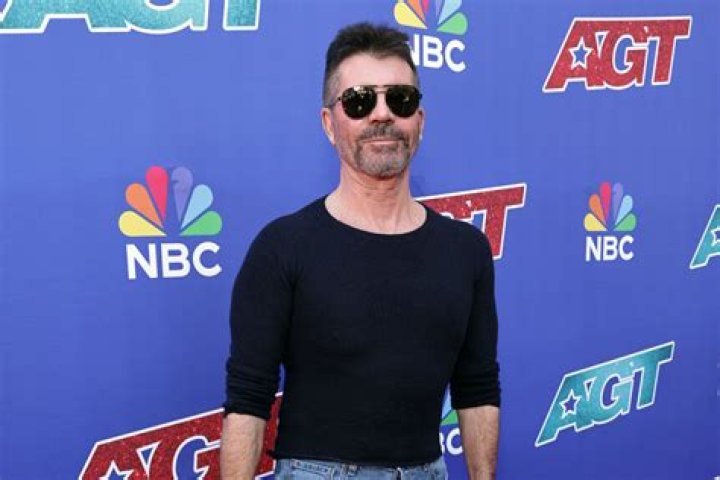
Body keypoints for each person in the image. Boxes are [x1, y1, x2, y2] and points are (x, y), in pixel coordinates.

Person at [220, 22, 500, 480]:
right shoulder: (283, 247)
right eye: (359, 101)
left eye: (400, 99)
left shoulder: (466, 250)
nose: (381, 114)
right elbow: (248, 401)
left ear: (420, 121)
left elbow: (477, 388)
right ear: (329, 123)